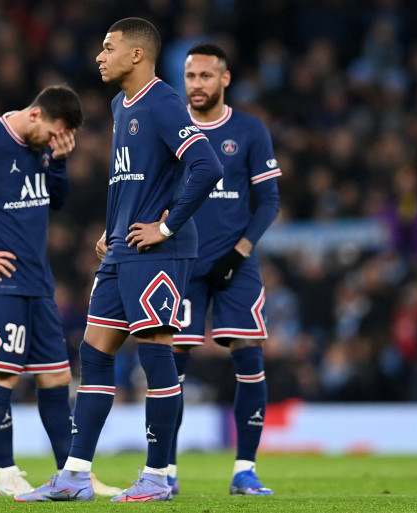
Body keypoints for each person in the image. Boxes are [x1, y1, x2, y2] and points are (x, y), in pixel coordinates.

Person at [15, 18, 223, 503]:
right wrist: (114, 228)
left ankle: (156, 477)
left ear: (137, 55)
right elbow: (133, 176)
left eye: (108, 48)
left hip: (160, 249)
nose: (99, 56)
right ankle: (74, 476)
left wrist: (165, 226)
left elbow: (206, 165)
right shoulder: (119, 104)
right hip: (123, 248)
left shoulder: (163, 101)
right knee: (94, 353)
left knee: (155, 354)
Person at [0, 85, 118, 498]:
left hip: (37, 282)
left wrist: (60, 162)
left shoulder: (44, 149)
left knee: (56, 377)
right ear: (36, 115)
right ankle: (5, 473)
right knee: (2, 375)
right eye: (55, 134)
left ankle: (73, 475)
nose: (55, 142)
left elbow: (56, 200)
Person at [167, 43, 281, 495]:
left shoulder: (250, 130)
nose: (197, 85)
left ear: (225, 79)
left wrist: (239, 252)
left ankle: (244, 470)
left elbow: (269, 201)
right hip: (181, 264)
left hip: (238, 262)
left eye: (206, 76)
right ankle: (165, 473)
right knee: (168, 368)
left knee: (250, 360)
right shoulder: (169, 129)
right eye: (191, 76)